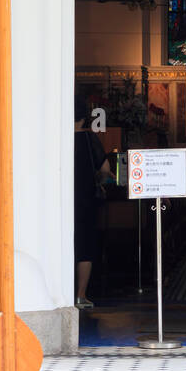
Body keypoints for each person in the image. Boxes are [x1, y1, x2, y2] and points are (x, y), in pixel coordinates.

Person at [74, 93, 105, 308]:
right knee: (85, 247)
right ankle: (80, 295)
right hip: (85, 198)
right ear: (85, 117)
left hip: (63, 201)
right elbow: (105, 170)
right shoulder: (89, 139)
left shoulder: (57, 139)